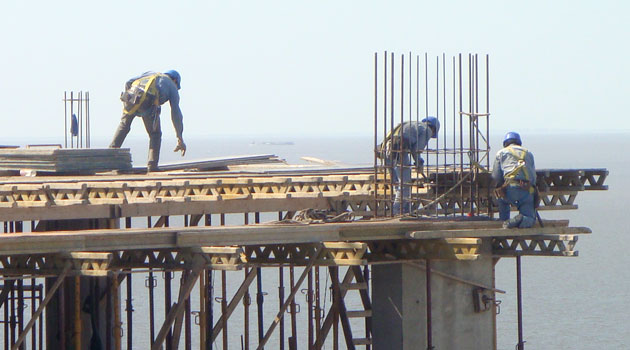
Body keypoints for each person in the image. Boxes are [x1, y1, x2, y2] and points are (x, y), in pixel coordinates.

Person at [109, 70, 186, 172]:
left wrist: (128, 103)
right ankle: (152, 165)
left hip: (131, 97)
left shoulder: (150, 74)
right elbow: (176, 113)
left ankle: (109, 157)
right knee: (155, 134)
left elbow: (128, 82)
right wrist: (179, 136)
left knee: (124, 126)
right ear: (175, 80)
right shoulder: (172, 86)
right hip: (148, 101)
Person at [378, 117, 440, 214]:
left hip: (386, 151)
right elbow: (417, 150)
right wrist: (419, 163)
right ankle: (400, 210)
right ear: (433, 128)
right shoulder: (426, 130)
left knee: (397, 183)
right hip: (399, 151)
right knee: (405, 184)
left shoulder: (409, 124)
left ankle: (396, 209)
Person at [491, 132, 537, 228]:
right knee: (530, 218)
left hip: (509, 189)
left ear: (505, 143)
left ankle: (504, 221)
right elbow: (533, 176)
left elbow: (496, 176)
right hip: (526, 190)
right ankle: (520, 219)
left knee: (502, 200)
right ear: (519, 142)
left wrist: (500, 187)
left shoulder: (501, 153)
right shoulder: (528, 153)